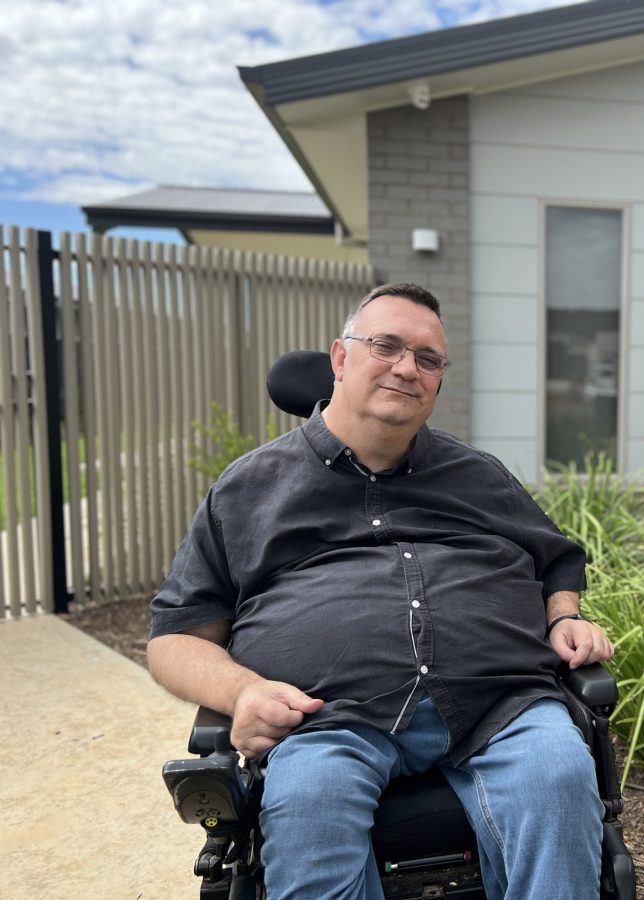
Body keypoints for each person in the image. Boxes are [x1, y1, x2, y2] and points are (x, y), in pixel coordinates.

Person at [147, 282, 615, 900]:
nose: (406, 368)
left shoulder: (478, 475)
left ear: (439, 381)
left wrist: (563, 617)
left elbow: (556, 557)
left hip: (501, 706)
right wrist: (242, 692)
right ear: (340, 358)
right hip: (328, 720)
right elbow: (176, 637)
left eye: (427, 359)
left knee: (557, 772)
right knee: (309, 803)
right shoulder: (249, 489)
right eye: (386, 346)